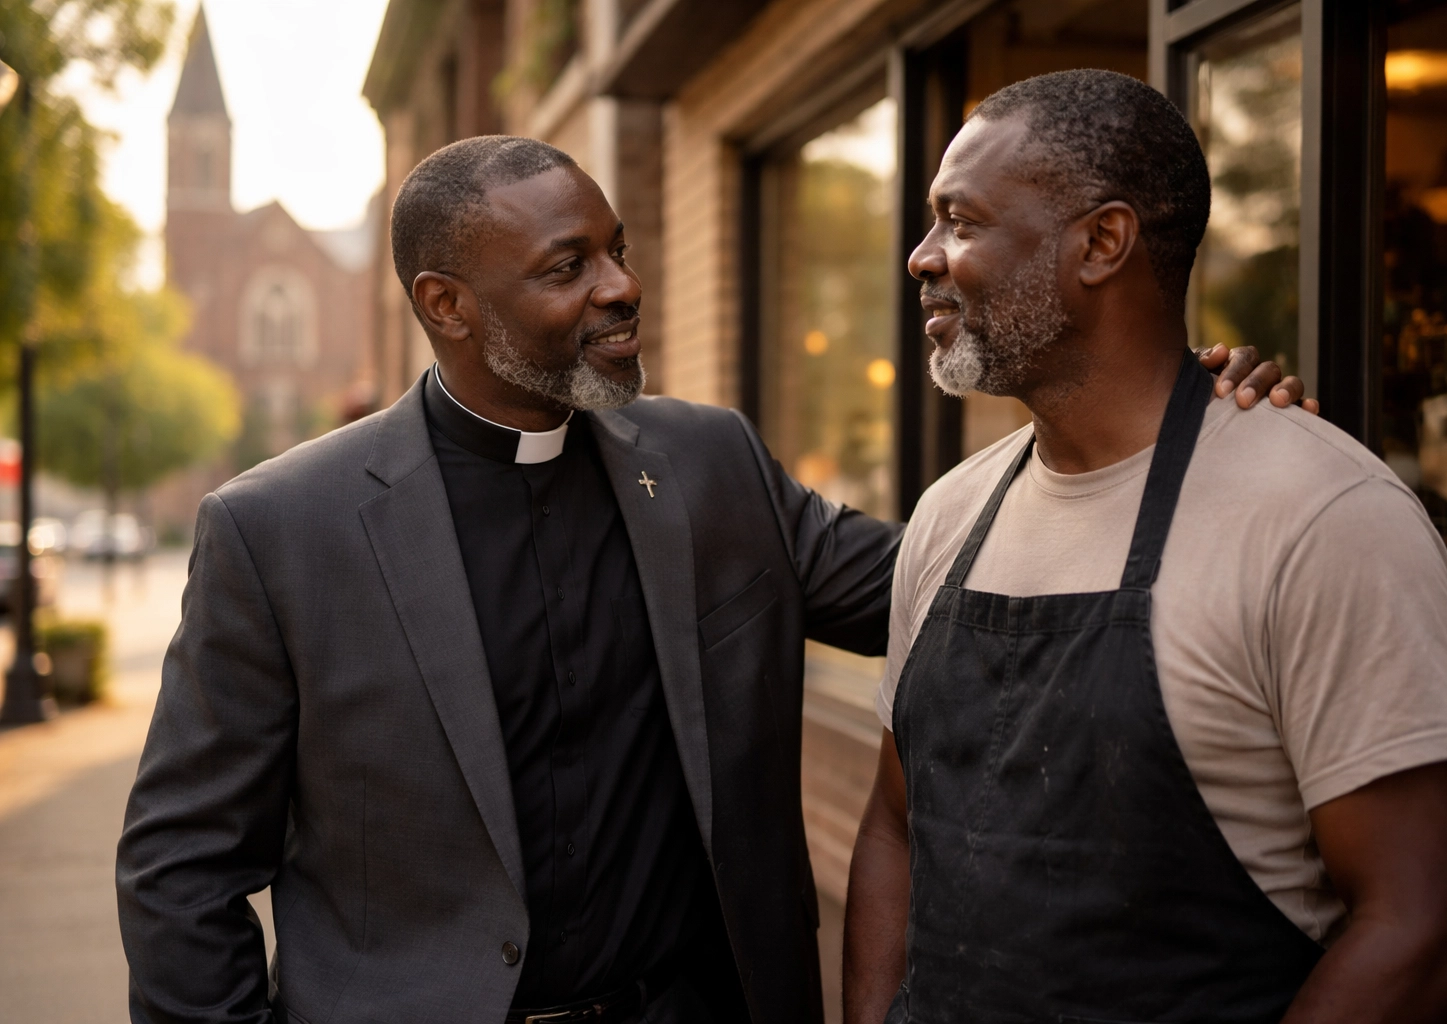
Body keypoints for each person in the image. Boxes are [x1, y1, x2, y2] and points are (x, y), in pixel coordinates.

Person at [116, 135, 1303, 1024]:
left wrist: (1156, 425)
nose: (622, 286)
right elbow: (180, 872)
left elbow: (948, 581)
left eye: (619, 251)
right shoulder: (279, 531)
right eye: (568, 266)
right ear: (449, 306)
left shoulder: (708, 461)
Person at [843, 71, 1447, 1024]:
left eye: (960, 220)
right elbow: (897, 828)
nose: (922, 257)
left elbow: (1426, 925)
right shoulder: (948, 516)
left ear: (1102, 242)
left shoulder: (1322, 515)